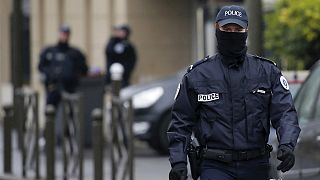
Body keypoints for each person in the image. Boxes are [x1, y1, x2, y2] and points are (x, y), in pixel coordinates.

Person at [167, 5, 300, 180]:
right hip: (215, 166)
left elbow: (284, 113)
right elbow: (180, 122)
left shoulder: (267, 72)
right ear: (217, 29)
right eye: (227, 29)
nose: (232, 33)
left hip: (256, 165)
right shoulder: (197, 75)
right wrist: (178, 161)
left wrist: (287, 144)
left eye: (237, 29)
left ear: (246, 30)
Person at [38, 25, 88, 107]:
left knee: (72, 109)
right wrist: (49, 75)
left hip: (71, 87)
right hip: (53, 86)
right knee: (50, 110)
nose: (64, 36)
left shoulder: (75, 53)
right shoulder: (49, 51)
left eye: (66, 34)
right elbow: (41, 67)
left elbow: (84, 68)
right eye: (62, 33)